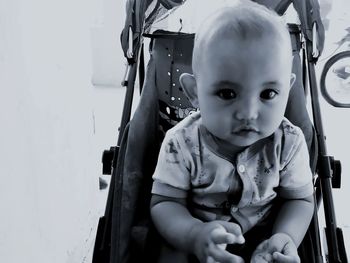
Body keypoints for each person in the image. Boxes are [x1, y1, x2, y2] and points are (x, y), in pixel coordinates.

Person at [150, 2, 315, 263]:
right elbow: (164, 204)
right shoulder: (180, 143)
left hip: (266, 239)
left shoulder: (289, 142)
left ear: (288, 89)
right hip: (196, 237)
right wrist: (193, 234)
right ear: (194, 93)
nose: (249, 112)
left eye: (268, 94)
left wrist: (285, 237)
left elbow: (301, 200)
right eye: (227, 94)